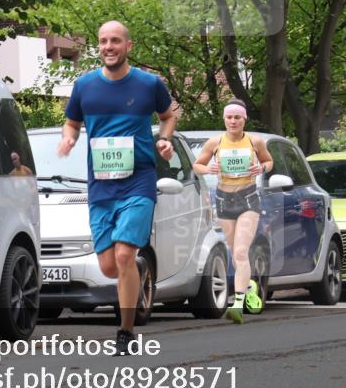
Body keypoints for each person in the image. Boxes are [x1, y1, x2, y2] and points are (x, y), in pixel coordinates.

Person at [57, 20, 176, 355]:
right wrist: (69, 138)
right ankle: (133, 271)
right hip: (101, 185)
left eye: (115, 41)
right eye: (103, 41)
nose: (108, 47)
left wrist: (164, 140)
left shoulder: (149, 84)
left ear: (128, 46)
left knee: (124, 254)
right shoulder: (84, 86)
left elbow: (167, 116)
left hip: (139, 180)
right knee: (110, 267)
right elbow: (72, 122)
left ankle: (125, 331)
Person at [192, 100, 273, 323]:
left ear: (244, 119)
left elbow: (269, 161)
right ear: (224, 119)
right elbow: (197, 165)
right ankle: (250, 286)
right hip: (223, 199)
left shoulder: (255, 141)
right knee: (235, 253)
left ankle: (237, 305)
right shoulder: (215, 142)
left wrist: (261, 168)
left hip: (248, 198)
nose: (233, 121)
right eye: (229, 117)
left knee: (240, 252)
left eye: (237, 117)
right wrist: (208, 168)